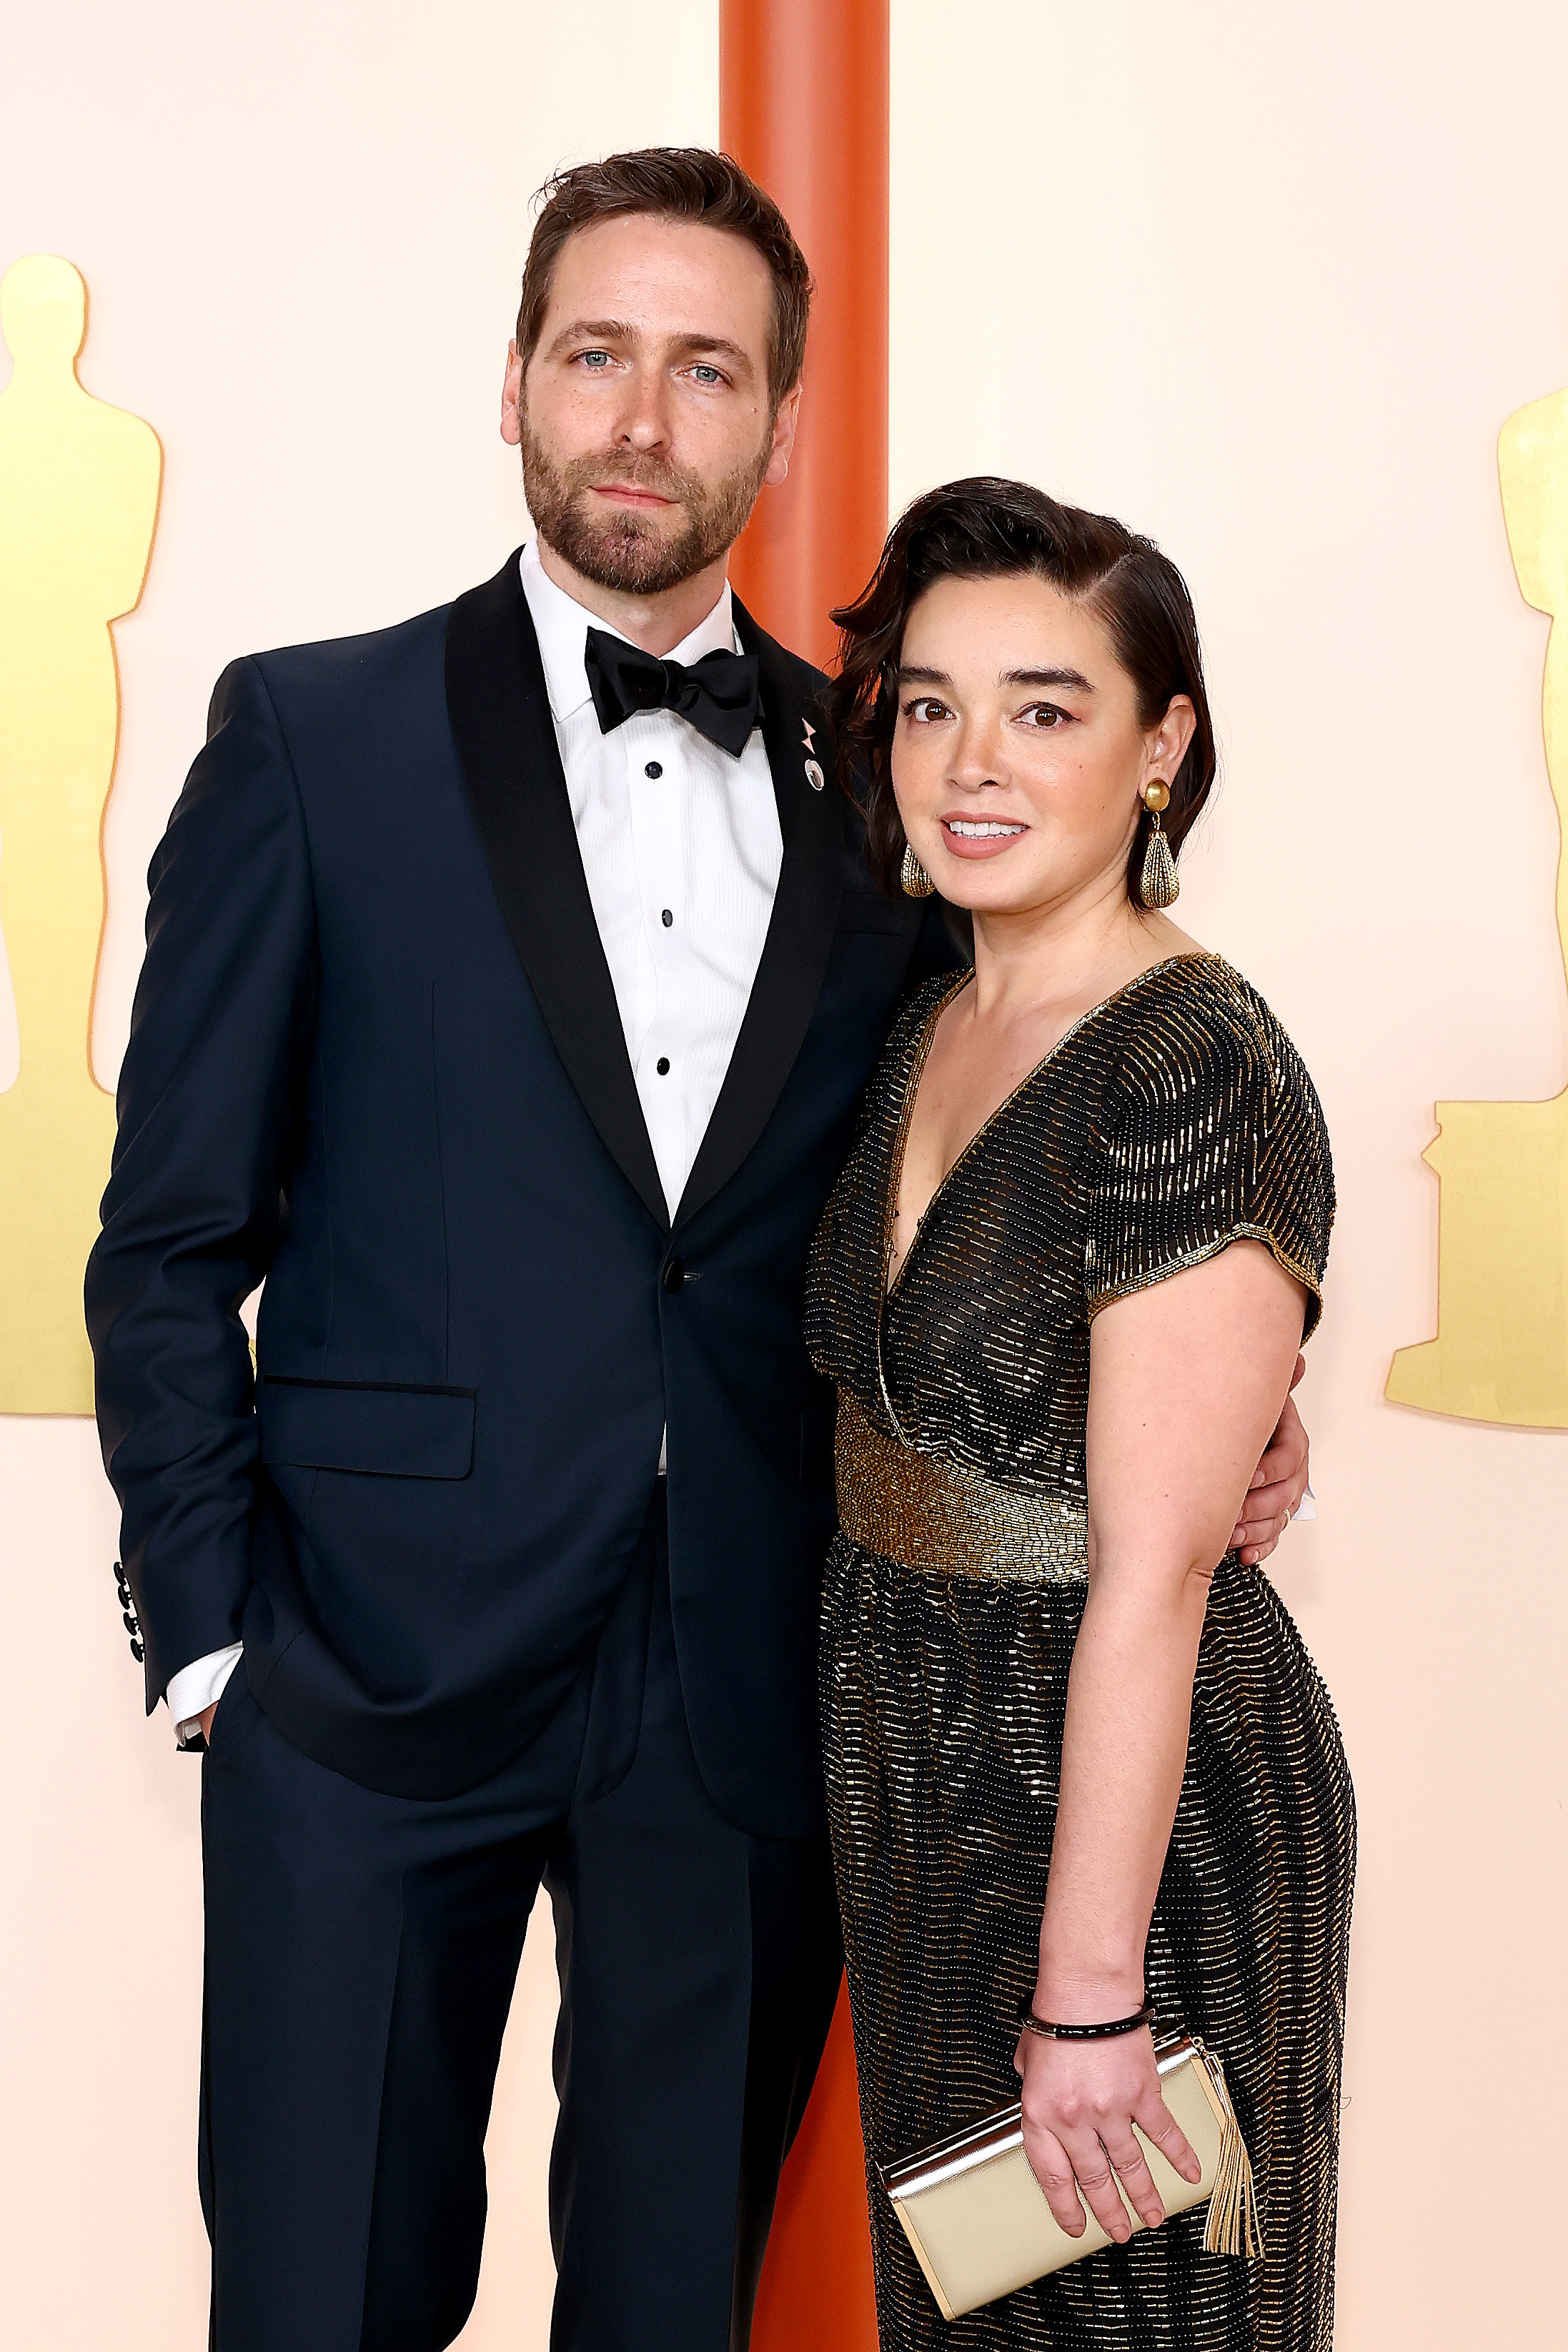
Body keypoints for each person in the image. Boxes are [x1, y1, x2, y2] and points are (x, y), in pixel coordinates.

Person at [86, 150, 1314, 2352]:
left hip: (748, 1684)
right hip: (362, 1677)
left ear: (776, 423)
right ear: (515, 387)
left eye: (708, 368)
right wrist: (212, 1644)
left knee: (678, 2310)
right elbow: (169, 1231)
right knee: (313, 2299)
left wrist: (1217, 1397)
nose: (645, 417)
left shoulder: (887, 793)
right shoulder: (311, 735)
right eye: (599, 357)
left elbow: (995, 1166)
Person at [806, 479, 1353, 2352]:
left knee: (1131, 2325)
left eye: (1044, 706)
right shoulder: (921, 1014)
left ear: (1157, 742)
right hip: (918, 1782)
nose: (970, 759)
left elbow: (1147, 1572)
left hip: (1132, 1822)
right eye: (930, 701)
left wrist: (1092, 1996)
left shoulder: (1189, 1055)